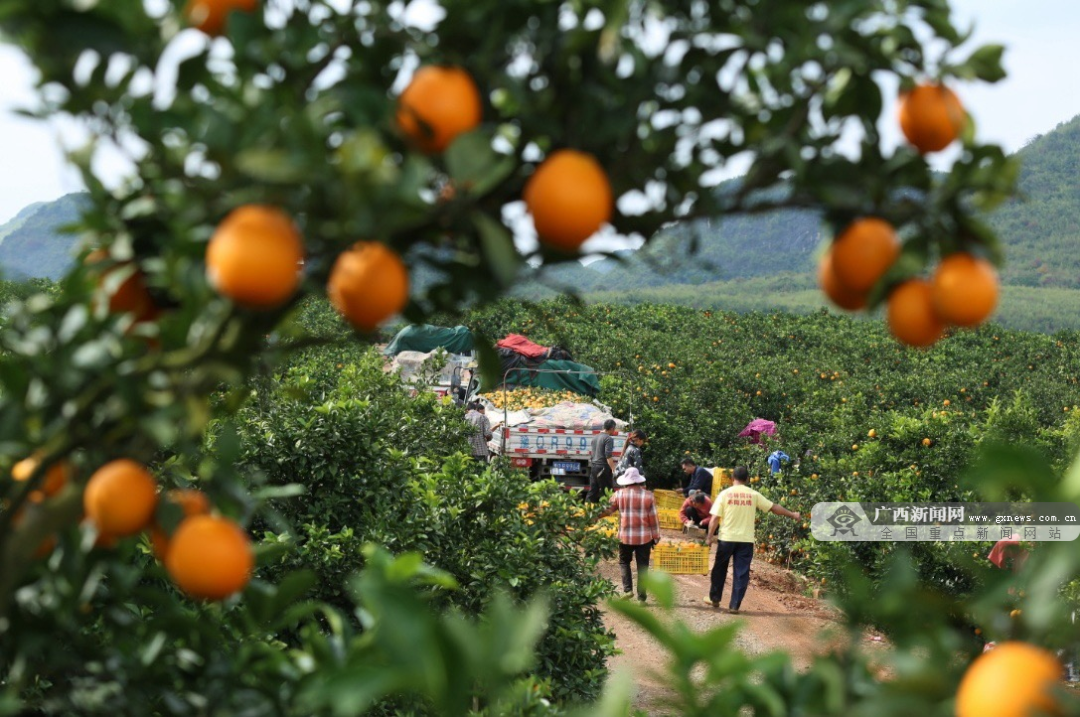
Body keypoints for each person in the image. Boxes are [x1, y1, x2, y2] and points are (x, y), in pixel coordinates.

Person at [705, 465, 801, 613]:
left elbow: (715, 518)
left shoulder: (725, 494)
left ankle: (715, 598)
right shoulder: (753, 495)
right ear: (748, 479)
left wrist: (709, 537)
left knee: (719, 569)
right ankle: (734, 605)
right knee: (741, 573)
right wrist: (793, 514)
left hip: (726, 539)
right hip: (745, 540)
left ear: (732, 478)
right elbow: (773, 507)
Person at [600, 467, 660, 604]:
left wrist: (594, 517)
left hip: (625, 537)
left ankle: (628, 590)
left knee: (624, 562)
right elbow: (653, 519)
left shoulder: (619, 494)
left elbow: (607, 510)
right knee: (643, 567)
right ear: (639, 481)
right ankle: (641, 599)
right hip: (644, 538)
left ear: (626, 481)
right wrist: (656, 537)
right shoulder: (648, 496)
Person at [587, 420, 618, 503]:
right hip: (603, 468)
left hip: (594, 467)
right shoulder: (608, 439)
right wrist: (613, 469)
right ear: (612, 428)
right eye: (614, 429)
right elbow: (608, 456)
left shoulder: (595, 437)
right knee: (608, 491)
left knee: (593, 491)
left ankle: (586, 508)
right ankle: (610, 509)